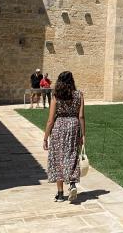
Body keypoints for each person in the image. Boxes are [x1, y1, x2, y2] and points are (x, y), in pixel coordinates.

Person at [43, 71, 85, 202]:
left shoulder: (56, 96)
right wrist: (83, 135)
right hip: (73, 126)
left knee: (58, 157)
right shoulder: (79, 95)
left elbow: (50, 120)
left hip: (59, 126)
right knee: (71, 155)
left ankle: (60, 194)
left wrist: (45, 137)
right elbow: (81, 116)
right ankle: (72, 183)